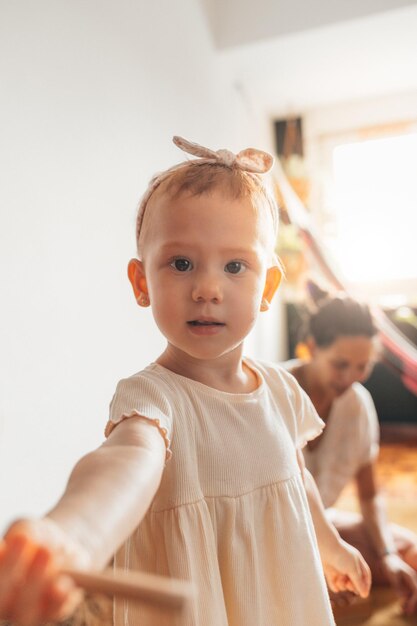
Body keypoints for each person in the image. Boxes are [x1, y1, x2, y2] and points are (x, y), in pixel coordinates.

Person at [0, 137, 371, 626]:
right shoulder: (154, 400)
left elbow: (295, 480)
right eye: (181, 264)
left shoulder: (281, 391)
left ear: (268, 288)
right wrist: (76, 535)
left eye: (235, 266)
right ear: (141, 283)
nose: (207, 289)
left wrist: (330, 544)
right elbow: (124, 465)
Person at [284, 281, 417, 616]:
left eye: (362, 366)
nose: (350, 378)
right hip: (268, 535)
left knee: (407, 550)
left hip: (319, 529)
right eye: (340, 364)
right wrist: (324, 562)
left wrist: (387, 555)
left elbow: (370, 496)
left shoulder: (357, 405)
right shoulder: (274, 392)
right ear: (312, 347)